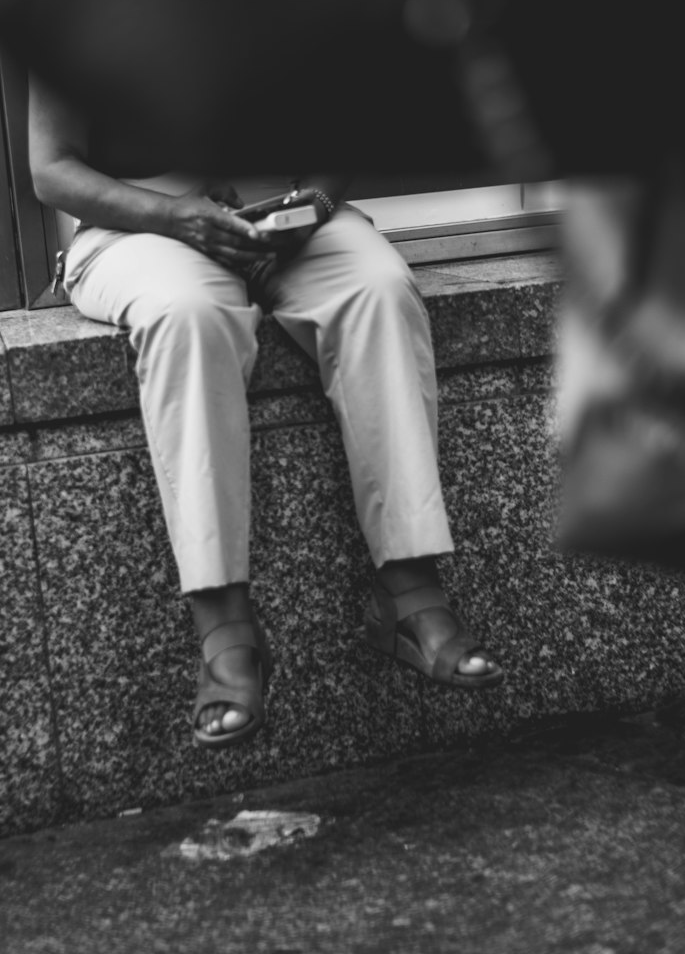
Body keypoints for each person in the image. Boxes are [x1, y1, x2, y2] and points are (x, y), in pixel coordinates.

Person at [29, 75, 504, 747]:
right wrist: (176, 217)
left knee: (379, 292)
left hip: (287, 212)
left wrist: (314, 201)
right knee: (187, 318)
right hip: (141, 224)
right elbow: (51, 171)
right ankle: (225, 627)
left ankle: (409, 592)